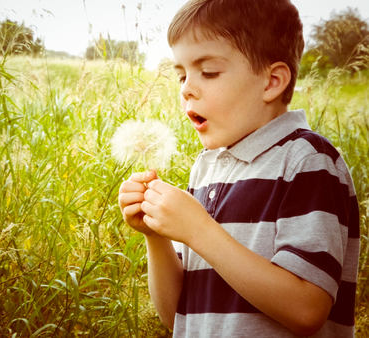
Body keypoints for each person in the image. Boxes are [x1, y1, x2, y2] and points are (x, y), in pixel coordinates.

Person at [118, 0, 360, 336]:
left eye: (209, 72)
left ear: (272, 82)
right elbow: (176, 316)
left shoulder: (307, 162)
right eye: (181, 75)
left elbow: (307, 310)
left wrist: (198, 230)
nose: (187, 87)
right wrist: (156, 237)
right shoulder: (206, 169)